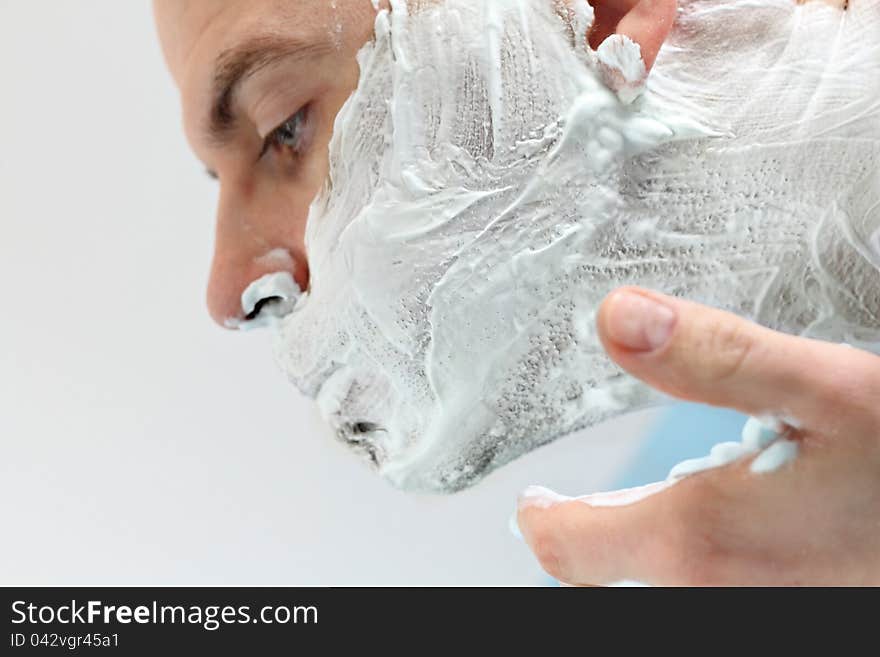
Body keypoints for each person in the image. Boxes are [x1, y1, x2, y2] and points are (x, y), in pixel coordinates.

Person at [154, 0, 880, 584]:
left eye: (284, 125)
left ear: (598, 11)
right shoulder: (718, 547)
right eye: (218, 182)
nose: (229, 293)